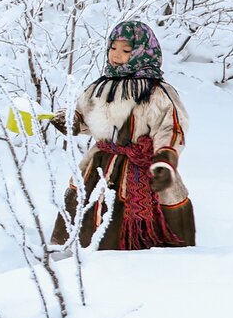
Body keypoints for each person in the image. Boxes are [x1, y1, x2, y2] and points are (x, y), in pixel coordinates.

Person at [50, 20, 196, 250]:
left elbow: (170, 127)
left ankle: (142, 270)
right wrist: (71, 121)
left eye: (126, 51)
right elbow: (86, 116)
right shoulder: (99, 87)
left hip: (144, 165)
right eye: (113, 48)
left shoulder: (156, 92)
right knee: (84, 206)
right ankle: (72, 259)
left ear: (142, 53)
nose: (116, 55)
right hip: (98, 164)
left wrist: (165, 159)